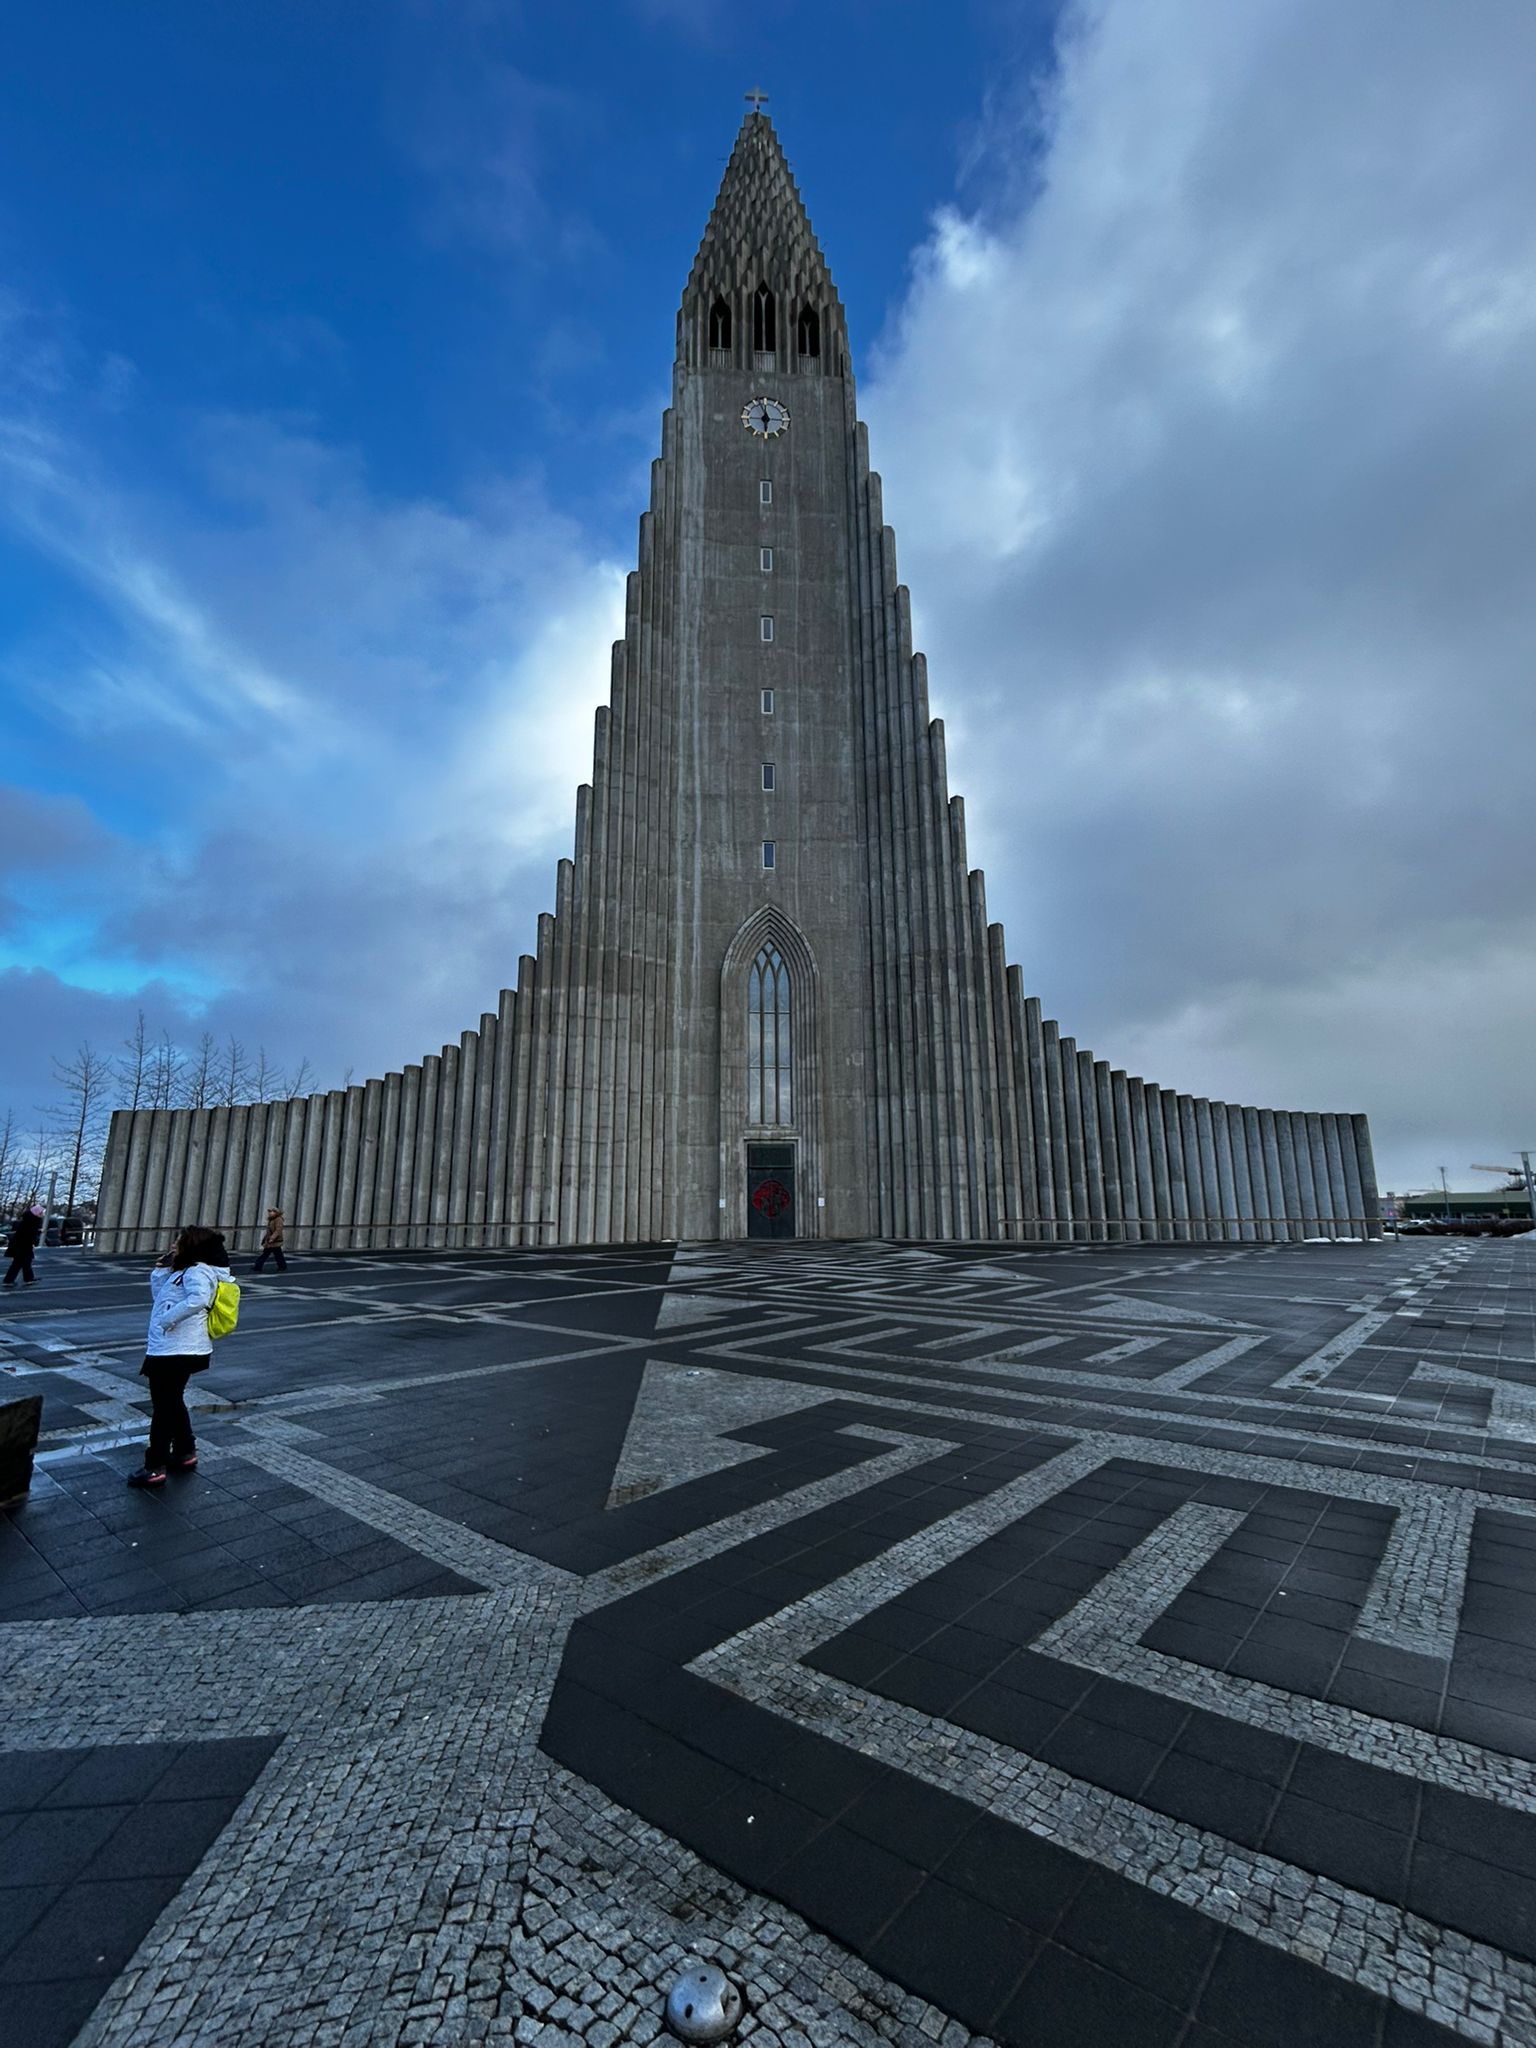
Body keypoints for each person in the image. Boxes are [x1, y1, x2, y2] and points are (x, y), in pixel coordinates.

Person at [128, 1225, 232, 1488]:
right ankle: (185, 1450)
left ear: (192, 1245)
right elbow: (160, 1297)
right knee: (171, 1402)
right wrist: (160, 1270)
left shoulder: (198, 1271)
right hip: (170, 1348)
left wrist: (167, 1320)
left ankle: (154, 1465)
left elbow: (198, 1300)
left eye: (179, 1241)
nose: (174, 1245)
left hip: (179, 1349)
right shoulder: (183, 1271)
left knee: (164, 1407)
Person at [3, 1204, 45, 1287]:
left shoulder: (28, 1220)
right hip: (22, 1246)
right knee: (20, 1263)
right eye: (40, 1213)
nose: (41, 1214)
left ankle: (26, 1279)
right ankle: (11, 1280)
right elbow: (29, 1234)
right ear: (36, 1213)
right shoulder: (33, 1221)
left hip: (20, 1245)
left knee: (23, 1262)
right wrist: (37, 1235)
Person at [253, 1208, 287, 1273]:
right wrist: (265, 1239)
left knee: (269, 1254)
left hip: (275, 1241)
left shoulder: (278, 1219)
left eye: (272, 1211)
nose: (270, 1213)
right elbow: (269, 1231)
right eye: (270, 1211)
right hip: (271, 1241)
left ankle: (258, 1266)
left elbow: (278, 1230)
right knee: (275, 1254)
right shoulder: (272, 1219)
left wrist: (272, 1238)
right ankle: (282, 1266)